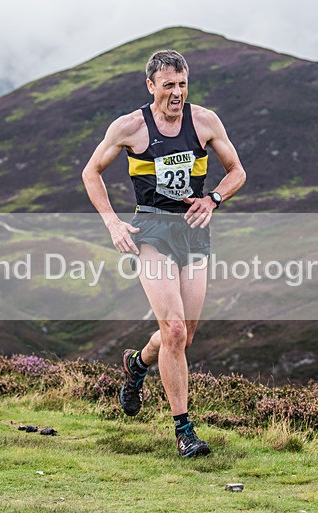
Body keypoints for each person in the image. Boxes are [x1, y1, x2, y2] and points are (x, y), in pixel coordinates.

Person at [82, 50, 246, 457]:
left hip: (192, 231)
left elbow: (237, 171)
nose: (177, 93)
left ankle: (137, 363)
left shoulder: (205, 121)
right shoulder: (130, 127)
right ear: (151, 86)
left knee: (185, 337)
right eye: (169, 85)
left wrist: (214, 199)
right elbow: (91, 172)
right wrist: (114, 223)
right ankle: (184, 430)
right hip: (152, 229)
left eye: (183, 84)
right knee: (172, 330)